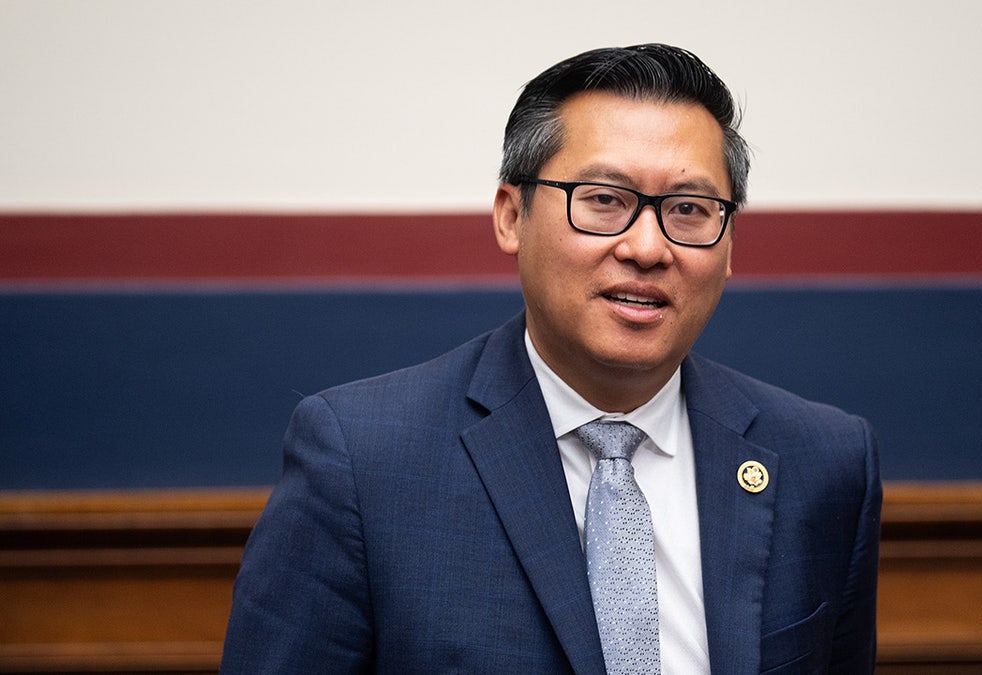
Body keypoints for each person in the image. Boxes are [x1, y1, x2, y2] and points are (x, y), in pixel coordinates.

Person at [221, 43, 881, 674]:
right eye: (605, 200)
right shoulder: (363, 461)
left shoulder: (823, 462)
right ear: (512, 216)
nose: (648, 248)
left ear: (729, 242)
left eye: (689, 209)